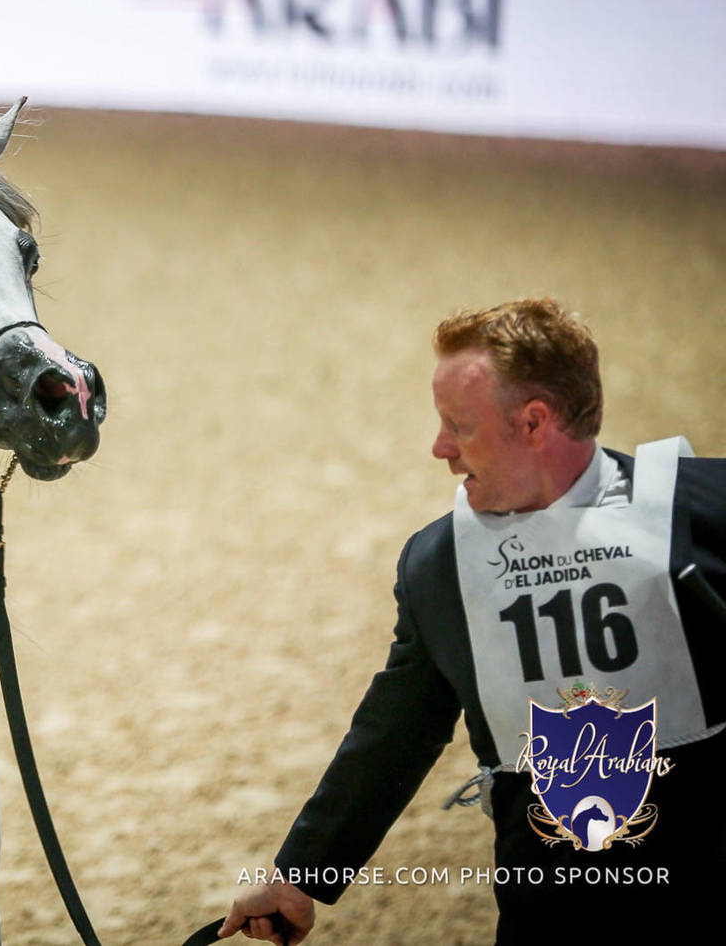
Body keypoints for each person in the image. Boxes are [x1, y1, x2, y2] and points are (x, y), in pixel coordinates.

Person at [219, 297, 726, 945]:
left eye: (459, 424)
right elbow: (400, 724)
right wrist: (302, 873)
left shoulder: (706, 514)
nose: (439, 447)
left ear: (535, 422)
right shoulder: (443, 565)